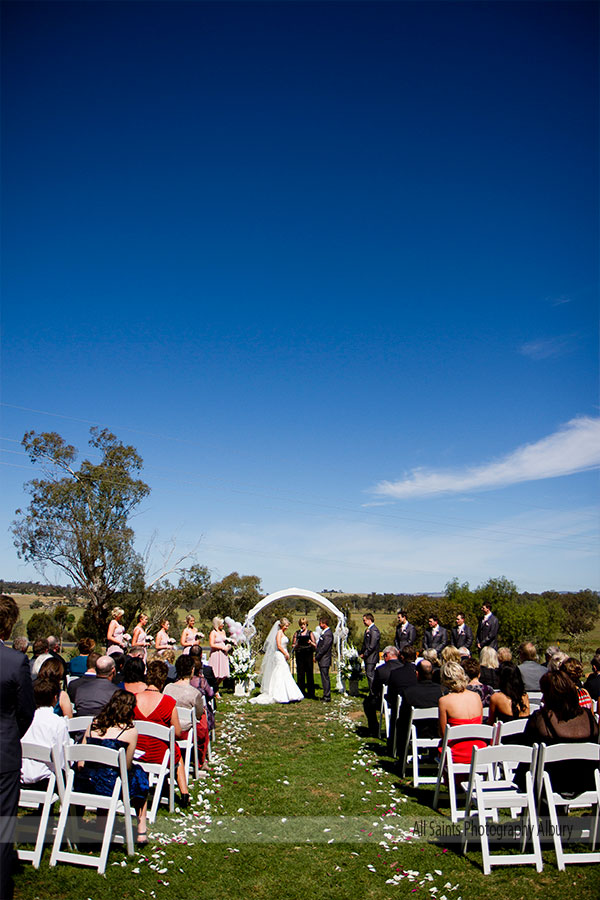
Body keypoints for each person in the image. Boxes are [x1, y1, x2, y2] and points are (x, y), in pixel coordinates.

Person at [78, 690, 150, 844]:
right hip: (111, 786)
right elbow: (127, 766)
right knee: (140, 777)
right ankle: (141, 830)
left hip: (85, 784)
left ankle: (99, 824)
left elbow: (81, 761)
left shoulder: (93, 725)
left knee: (100, 773)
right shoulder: (129, 731)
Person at [0, 595, 35, 900]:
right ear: (9, 625)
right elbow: (26, 710)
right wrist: (11, 733)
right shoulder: (15, 661)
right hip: (4, 752)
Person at [519, 670, 599, 796]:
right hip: (588, 783)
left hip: (551, 784)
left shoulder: (541, 719)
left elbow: (526, 753)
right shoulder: (588, 717)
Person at [134, 659, 189, 806]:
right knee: (176, 752)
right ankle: (184, 793)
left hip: (136, 752)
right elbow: (176, 733)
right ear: (163, 679)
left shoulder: (133, 699)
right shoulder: (168, 702)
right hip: (158, 755)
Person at [164, 654, 210, 773]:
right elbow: (199, 715)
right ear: (192, 670)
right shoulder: (195, 693)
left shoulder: (167, 688)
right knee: (203, 718)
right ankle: (200, 759)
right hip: (184, 731)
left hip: (168, 728)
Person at [20, 677, 69, 785]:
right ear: (55, 698)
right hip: (46, 781)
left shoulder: (22, 719)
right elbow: (62, 761)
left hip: (20, 777)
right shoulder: (58, 722)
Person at [395, 659, 444, 763]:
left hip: (416, 733)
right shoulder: (442, 692)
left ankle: (401, 757)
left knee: (400, 723)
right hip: (437, 733)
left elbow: (403, 718)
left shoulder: (409, 693)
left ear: (417, 674)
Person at [438, 660, 485, 764]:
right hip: (479, 751)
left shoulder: (444, 701)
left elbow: (443, 734)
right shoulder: (476, 697)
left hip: (456, 754)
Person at [250, 619, 304, 705]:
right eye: (286, 625)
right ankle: (279, 694)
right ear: (281, 625)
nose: (287, 627)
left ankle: (289, 693)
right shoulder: (279, 633)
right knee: (280, 671)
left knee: (284, 672)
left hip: (283, 654)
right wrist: (285, 653)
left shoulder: (282, 633)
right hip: (279, 654)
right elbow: (279, 645)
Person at [363, 646, 403, 736]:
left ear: (387, 655)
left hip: (387, 702)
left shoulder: (381, 670)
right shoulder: (403, 667)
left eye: (384, 656)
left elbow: (374, 688)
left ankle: (374, 728)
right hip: (403, 701)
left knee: (368, 702)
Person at [292, 617, 316, 699]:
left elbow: (315, 645)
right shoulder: (297, 633)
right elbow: (293, 644)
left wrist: (310, 642)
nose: (302, 626)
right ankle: (301, 691)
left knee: (309, 673)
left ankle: (311, 692)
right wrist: (296, 645)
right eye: (301, 624)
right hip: (299, 654)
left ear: (306, 624)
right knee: (300, 673)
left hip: (308, 654)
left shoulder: (310, 633)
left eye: (304, 624)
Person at [314, 617, 333, 703]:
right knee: (323, 677)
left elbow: (324, 647)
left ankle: (327, 696)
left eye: (320, 623)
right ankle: (325, 694)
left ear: (324, 623)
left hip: (324, 659)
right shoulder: (324, 633)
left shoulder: (328, 634)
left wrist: (317, 656)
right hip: (322, 659)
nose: (319, 625)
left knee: (325, 678)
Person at [360, 613, 381, 690]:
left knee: (370, 675)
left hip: (371, 657)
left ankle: (373, 693)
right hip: (368, 657)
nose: (363, 622)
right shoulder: (368, 630)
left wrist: (365, 654)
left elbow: (372, 645)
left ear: (369, 620)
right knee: (369, 675)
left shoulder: (374, 631)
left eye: (364, 620)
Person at [208, 617, 230, 685]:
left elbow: (225, 640)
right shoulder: (213, 633)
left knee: (223, 673)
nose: (223, 625)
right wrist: (221, 647)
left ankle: (216, 687)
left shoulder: (223, 632)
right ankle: (215, 689)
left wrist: (229, 645)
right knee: (215, 673)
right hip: (216, 653)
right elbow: (212, 644)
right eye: (221, 623)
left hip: (223, 654)